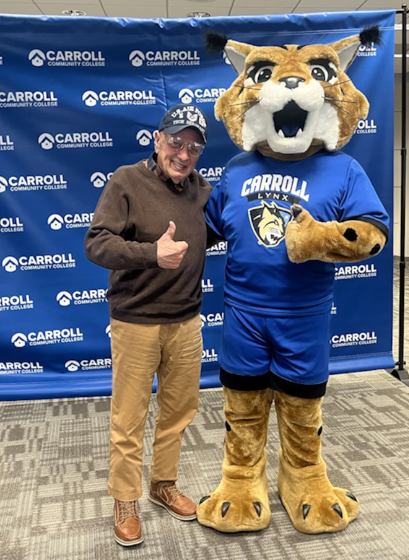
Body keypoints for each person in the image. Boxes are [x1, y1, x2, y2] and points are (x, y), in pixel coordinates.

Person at [84, 103, 212, 547]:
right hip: (136, 322)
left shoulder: (202, 190)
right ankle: (124, 499)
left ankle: (163, 484)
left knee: (179, 413)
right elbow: (96, 244)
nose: (184, 153)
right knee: (129, 418)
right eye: (176, 141)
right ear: (157, 140)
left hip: (186, 321)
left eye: (194, 146)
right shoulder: (126, 181)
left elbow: (220, 231)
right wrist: (150, 255)